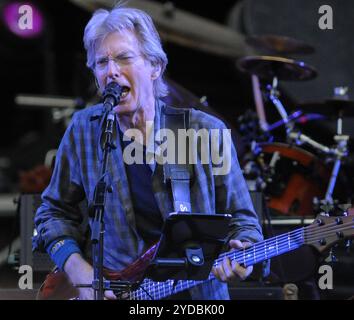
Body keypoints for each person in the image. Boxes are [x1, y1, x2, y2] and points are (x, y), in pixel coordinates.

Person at [33, 4, 263, 300]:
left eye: (124, 58)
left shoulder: (206, 132)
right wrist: (80, 273)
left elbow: (244, 223)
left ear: (155, 67)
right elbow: (53, 213)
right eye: (101, 63)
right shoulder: (84, 130)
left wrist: (241, 249)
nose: (111, 71)